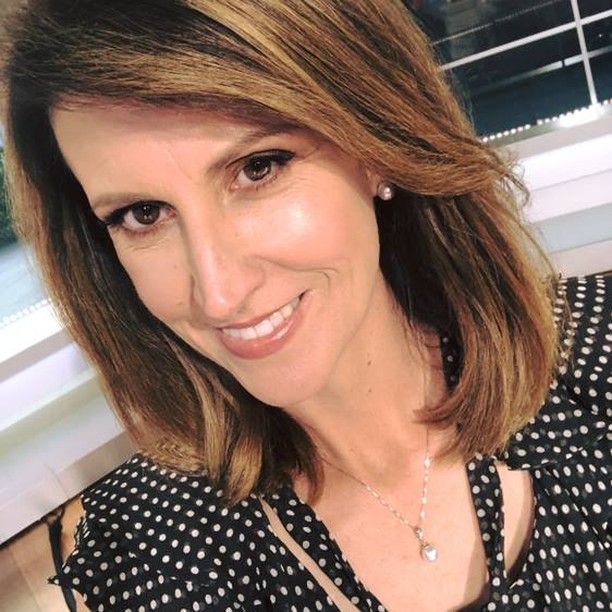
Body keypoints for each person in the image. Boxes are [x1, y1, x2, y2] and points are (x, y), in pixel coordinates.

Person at [1, 1, 609, 610]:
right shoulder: (154, 559)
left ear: (375, 144)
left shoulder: (596, 354)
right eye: (144, 213)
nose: (219, 293)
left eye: (257, 168)